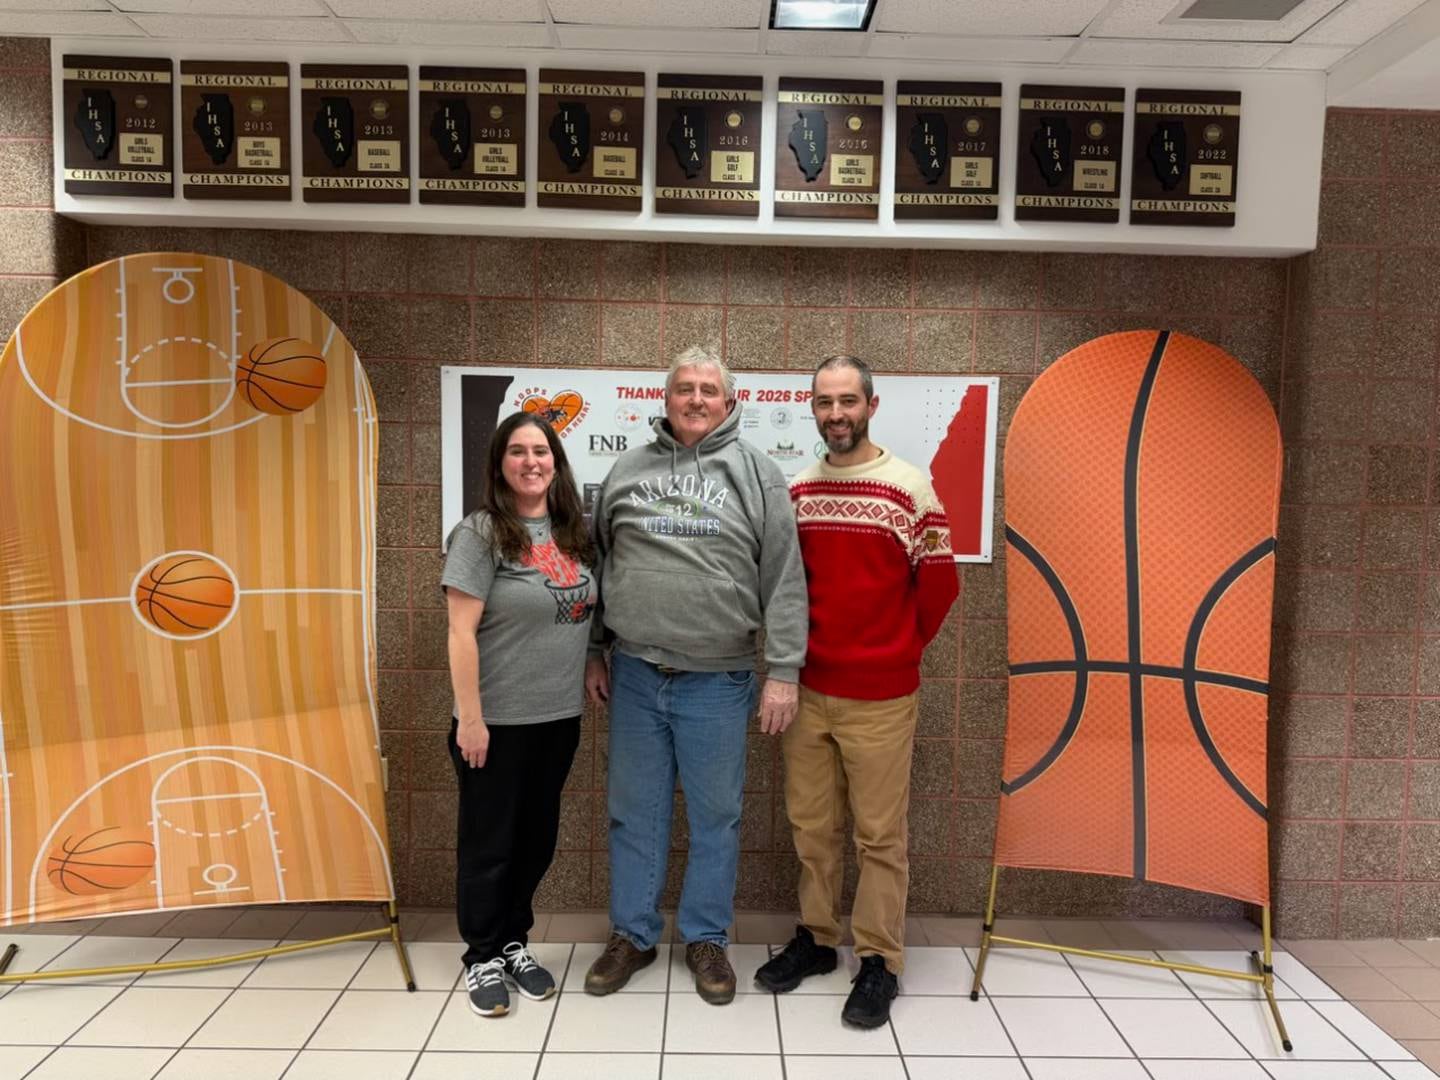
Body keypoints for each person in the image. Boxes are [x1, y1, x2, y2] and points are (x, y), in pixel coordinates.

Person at [583, 345, 809, 1005]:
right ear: (666, 398)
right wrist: (596, 650)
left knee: (717, 817)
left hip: (718, 679)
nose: (696, 399)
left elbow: (785, 580)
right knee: (634, 814)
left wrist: (784, 670)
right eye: (685, 388)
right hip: (634, 675)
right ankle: (633, 934)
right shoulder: (628, 469)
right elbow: (603, 566)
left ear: (731, 403)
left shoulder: (758, 473)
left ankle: (707, 936)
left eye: (709, 389)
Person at [756, 354, 959, 1028]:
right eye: (823, 403)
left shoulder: (908, 487)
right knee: (812, 827)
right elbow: (784, 588)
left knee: (879, 838)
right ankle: (817, 940)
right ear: (811, 409)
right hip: (807, 691)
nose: (835, 414)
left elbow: (939, 586)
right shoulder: (800, 490)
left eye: (847, 401)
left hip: (881, 696)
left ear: (871, 406)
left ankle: (879, 960)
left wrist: (894, 653)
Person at [441, 411, 597, 1018]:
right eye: (518, 452)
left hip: (557, 719)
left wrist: (592, 662)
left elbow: (585, 613)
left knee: (535, 841)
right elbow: (460, 632)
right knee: (489, 844)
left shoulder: (572, 534)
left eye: (541, 451)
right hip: (495, 723)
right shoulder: (480, 534)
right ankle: (480, 955)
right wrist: (470, 719)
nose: (531, 461)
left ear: (555, 463)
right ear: (500, 464)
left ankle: (513, 941)